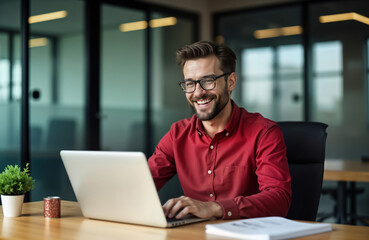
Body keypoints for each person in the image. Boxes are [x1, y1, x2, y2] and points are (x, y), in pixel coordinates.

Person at [148, 40, 291, 220]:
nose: (198, 92)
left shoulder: (264, 133)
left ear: (231, 82)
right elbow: (141, 185)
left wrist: (215, 208)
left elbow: (279, 200)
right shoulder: (177, 134)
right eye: (190, 83)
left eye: (208, 81)